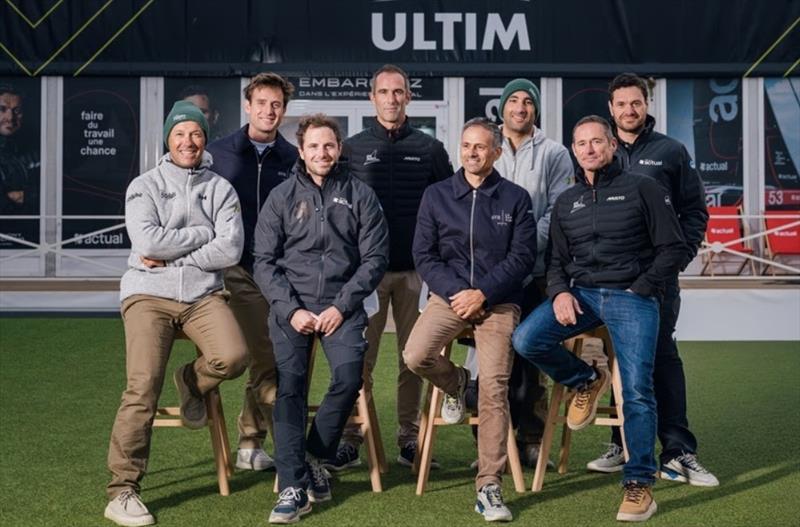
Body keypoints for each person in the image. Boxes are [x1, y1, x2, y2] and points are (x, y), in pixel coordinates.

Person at [512, 115, 688, 522]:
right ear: (574, 150)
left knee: (638, 391)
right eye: (581, 143)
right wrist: (558, 293)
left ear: (611, 146)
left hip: (633, 297)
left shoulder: (643, 188)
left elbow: (674, 248)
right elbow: (556, 261)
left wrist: (643, 287)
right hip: (583, 295)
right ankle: (586, 379)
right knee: (526, 339)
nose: (589, 149)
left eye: (596, 142)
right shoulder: (566, 201)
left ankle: (639, 483)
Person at [104, 101, 247, 527]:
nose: (189, 141)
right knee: (142, 386)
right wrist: (203, 234)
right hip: (147, 294)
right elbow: (147, 242)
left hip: (203, 295)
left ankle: (190, 380)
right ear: (168, 139)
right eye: (180, 133)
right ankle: (122, 489)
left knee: (233, 357)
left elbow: (232, 249)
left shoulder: (221, 189)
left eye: (196, 134)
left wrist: (175, 257)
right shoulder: (144, 185)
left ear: (205, 140)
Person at [583, 73, 717, 487]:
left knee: (660, 358)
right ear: (611, 108)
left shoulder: (671, 152)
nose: (628, 110)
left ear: (646, 104)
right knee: (621, 359)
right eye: (621, 104)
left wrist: (675, 260)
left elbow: (695, 213)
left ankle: (677, 450)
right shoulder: (599, 151)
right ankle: (621, 444)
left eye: (635, 103)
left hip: (656, 281)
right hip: (610, 280)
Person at [253, 114, 388, 524]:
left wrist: (340, 307)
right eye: (314, 146)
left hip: (340, 308)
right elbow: (263, 261)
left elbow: (374, 259)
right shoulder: (280, 196)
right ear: (301, 150)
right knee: (290, 388)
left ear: (339, 148)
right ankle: (294, 487)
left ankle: (311, 454)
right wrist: (291, 310)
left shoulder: (360, 194)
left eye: (328, 145)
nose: (322, 153)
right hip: (291, 308)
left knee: (350, 378)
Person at [404, 118, 536, 522]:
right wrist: (459, 294)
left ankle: (489, 486)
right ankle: (459, 383)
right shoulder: (437, 195)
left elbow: (523, 258)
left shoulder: (515, 198)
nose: (472, 153)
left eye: (480, 147)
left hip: (498, 302)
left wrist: (484, 294)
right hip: (450, 297)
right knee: (415, 355)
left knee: (495, 387)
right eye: (466, 146)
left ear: (496, 152)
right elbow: (424, 255)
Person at [328, 64, 452, 471]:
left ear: (408, 97)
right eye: (384, 92)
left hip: (418, 272)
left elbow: (449, 206)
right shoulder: (352, 148)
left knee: (411, 359)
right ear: (372, 97)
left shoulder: (430, 149)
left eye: (398, 92)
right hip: (367, 274)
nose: (392, 99)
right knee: (358, 356)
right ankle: (349, 436)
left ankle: (408, 438)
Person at [463, 78, 573, 468]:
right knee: (485, 362)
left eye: (528, 101)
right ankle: (489, 444)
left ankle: (528, 438)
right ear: (503, 107)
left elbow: (556, 213)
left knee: (528, 363)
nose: (521, 107)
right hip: (487, 279)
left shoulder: (555, 154)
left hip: (535, 273)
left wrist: (521, 250)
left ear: (536, 110)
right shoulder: (485, 147)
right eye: (514, 100)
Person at [207, 73, 298, 472]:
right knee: (267, 352)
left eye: (276, 104)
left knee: (272, 355)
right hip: (236, 270)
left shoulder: (294, 159)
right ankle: (278, 444)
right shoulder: (219, 153)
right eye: (261, 102)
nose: (268, 110)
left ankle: (250, 441)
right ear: (247, 105)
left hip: (280, 271)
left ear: (284, 109)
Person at [0, 84, 39, 214]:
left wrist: (27, 196)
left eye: (17, 111)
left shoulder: (34, 147)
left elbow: (56, 191)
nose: (10, 118)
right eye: (2, 109)